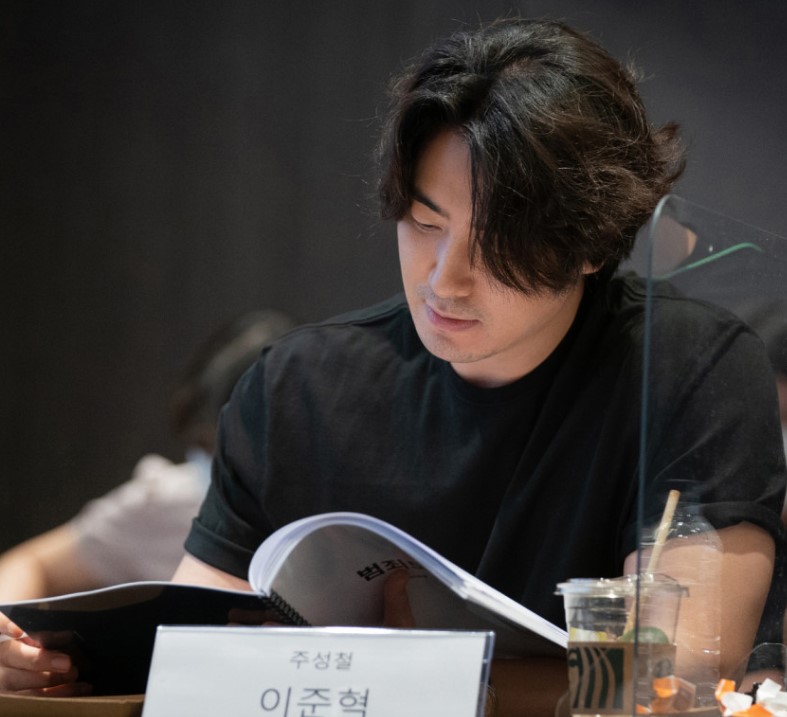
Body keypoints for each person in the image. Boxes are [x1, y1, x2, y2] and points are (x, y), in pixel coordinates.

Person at [2, 18, 784, 716]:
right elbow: (197, 660)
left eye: (497, 242)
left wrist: (423, 675)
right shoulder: (298, 388)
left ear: (591, 242)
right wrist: (50, 666)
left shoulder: (692, 369)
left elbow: (676, 677)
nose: (444, 279)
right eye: (423, 221)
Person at [0, 309, 295, 602]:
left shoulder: (317, 509)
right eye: (207, 445)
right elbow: (31, 564)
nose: (215, 463)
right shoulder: (169, 501)